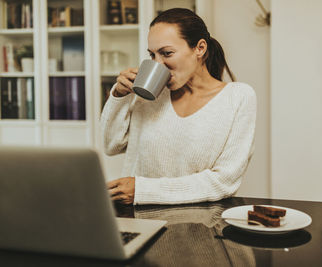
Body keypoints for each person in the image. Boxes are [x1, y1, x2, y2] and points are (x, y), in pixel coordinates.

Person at [101, 8, 256, 205]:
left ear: (200, 48)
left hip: (198, 225)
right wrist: (119, 96)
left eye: (167, 53)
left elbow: (224, 181)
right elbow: (112, 146)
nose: (159, 64)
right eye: (152, 55)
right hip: (139, 220)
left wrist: (143, 191)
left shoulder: (238, 97)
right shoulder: (151, 95)